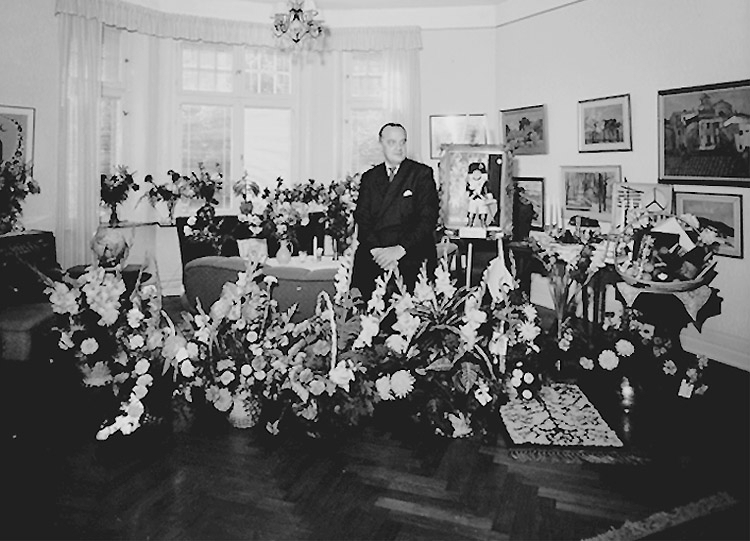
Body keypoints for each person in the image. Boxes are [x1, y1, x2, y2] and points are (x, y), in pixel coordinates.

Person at [350, 122, 439, 301]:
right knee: (362, 303)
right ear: (380, 144)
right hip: (376, 253)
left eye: (402, 142)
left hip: (410, 251)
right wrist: (377, 251)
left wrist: (399, 249)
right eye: (392, 142)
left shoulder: (421, 174)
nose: (399, 148)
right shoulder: (370, 177)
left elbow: (428, 219)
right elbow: (362, 218)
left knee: (407, 308)